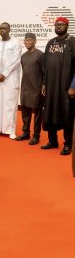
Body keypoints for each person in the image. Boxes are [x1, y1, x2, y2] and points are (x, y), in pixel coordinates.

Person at [41, 17, 75, 155]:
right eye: (57, 24)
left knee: (67, 115)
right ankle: (52, 140)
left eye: (62, 24)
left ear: (67, 26)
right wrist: (44, 83)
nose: (59, 26)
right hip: (50, 85)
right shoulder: (50, 43)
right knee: (49, 112)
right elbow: (45, 66)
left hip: (66, 86)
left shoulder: (72, 42)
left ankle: (68, 144)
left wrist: (73, 86)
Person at [0, 22, 22, 139]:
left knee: (10, 104)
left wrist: (5, 73)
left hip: (10, 78)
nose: (2, 30)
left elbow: (16, 60)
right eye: (1, 28)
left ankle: (10, 130)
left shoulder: (16, 42)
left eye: (5, 28)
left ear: (9, 30)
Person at [15, 33, 43, 145]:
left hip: (36, 88)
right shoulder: (23, 56)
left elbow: (45, 72)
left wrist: (43, 86)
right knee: (25, 111)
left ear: (35, 41)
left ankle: (36, 136)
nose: (27, 42)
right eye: (25, 40)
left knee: (37, 113)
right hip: (25, 88)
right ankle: (25, 133)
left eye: (30, 40)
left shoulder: (40, 55)